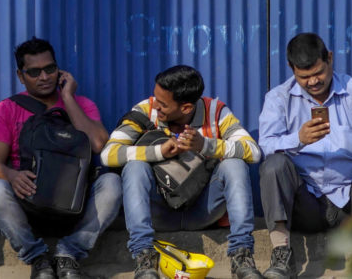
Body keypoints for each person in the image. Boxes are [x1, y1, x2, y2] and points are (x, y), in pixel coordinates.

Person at [258, 33, 352, 279]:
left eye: (318, 73)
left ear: (329, 59)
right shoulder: (278, 98)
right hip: (305, 202)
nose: (313, 81)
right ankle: (282, 255)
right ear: (291, 69)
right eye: (304, 77)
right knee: (273, 164)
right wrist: (298, 139)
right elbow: (265, 146)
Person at [101, 65, 264, 279]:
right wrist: (157, 151)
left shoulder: (215, 111)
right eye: (155, 98)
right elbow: (108, 154)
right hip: (158, 212)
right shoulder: (145, 110)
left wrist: (206, 146)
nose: (155, 106)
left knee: (235, 164)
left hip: (203, 211)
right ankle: (144, 258)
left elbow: (254, 152)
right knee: (134, 166)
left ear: (186, 108)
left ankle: (241, 256)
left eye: (163, 104)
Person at [0, 37, 121, 279]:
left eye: (50, 69)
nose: (44, 77)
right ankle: (38, 258)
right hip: (28, 207)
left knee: (112, 183)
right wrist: (12, 176)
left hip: (74, 206)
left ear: (59, 69)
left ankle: (68, 253)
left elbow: (99, 145)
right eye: (34, 72)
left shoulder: (82, 104)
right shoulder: (7, 109)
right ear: (21, 76)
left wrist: (67, 98)